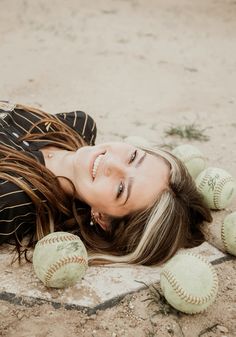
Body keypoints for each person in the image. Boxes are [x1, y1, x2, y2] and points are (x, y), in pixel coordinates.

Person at [0, 101, 212, 266]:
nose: (111, 162)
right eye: (132, 157)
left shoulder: (11, 199)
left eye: (121, 189)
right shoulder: (79, 126)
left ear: (102, 218)